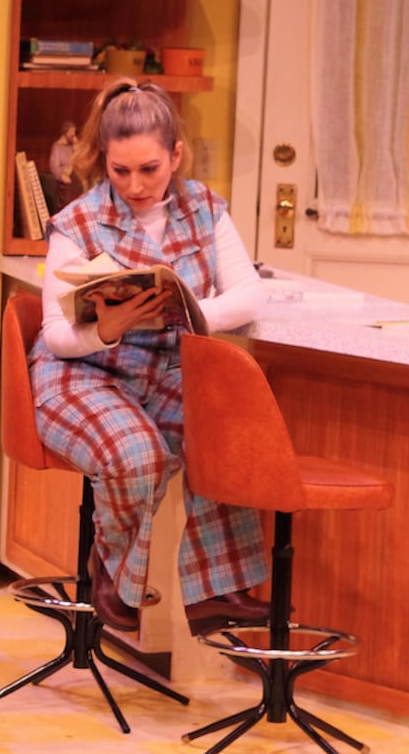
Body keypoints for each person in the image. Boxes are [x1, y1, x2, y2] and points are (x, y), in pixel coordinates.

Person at [33, 77, 270, 637]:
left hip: (164, 371)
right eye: (121, 171)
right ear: (104, 162)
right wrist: (106, 327)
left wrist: (192, 310)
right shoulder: (79, 222)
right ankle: (113, 570)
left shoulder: (205, 209)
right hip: (82, 373)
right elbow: (56, 334)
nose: (135, 184)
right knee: (138, 454)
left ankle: (216, 588)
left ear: (176, 156)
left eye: (149, 169)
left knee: (222, 428)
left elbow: (249, 292)